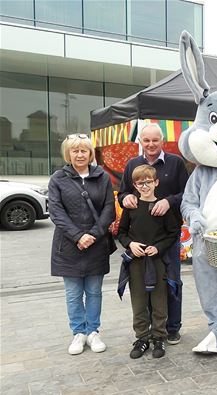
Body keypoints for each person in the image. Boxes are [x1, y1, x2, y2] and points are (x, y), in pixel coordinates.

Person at [118, 123, 188, 345]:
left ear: (162, 141)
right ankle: (149, 330)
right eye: (146, 140)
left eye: (154, 140)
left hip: (168, 235)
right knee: (144, 283)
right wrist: (125, 198)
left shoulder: (175, 162)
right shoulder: (132, 164)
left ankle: (172, 327)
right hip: (142, 238)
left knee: (171, 280)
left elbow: (186, 193)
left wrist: (169, 201)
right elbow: (123, 192)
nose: (150, 145)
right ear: (140, 141)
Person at [49, 134, 116, 355]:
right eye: (75, 150)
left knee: (94, 291)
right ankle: (78, 333)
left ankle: (93, 331)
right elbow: (56, 212)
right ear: (68, 154)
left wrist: (94, 235)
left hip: (96, 244)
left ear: (90, 153)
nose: (79, 154)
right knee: (73, 293)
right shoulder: (58, 178)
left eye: (84, 150)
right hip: (68, 245)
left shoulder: (101, 177)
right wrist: (78, 236)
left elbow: (109, 208)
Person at [118, 165, 179, 359]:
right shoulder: (131, 208)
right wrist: (130, 244)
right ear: (134, 185)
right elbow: (121, 232)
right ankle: (142, 337)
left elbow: (172, 233)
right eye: (140, 183)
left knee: (159, 300)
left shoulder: (162, 207)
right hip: (136, 261)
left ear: (156, 182)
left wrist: (159, 247)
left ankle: (159, 336)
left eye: (148, 182)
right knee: (139, 300)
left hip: (157, 261)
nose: (145, 186)